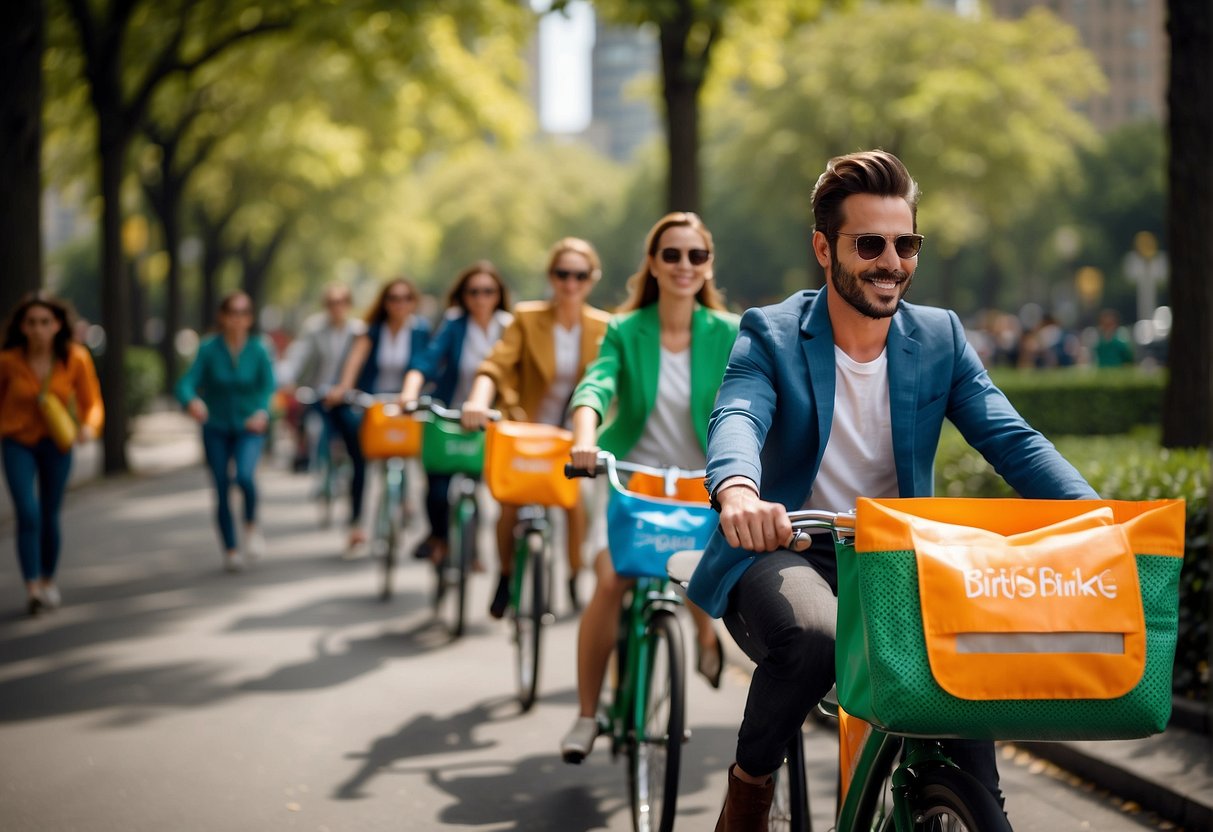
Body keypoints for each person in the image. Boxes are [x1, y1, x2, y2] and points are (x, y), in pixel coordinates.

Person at [687, 150, 1098, 831]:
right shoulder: (773, 332)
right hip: (788, 544)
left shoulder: (938, 337)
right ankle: (750, 786)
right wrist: (736, 492)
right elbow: (737, 415)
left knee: (965, 702)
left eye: (906, 243)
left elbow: (1010, 440)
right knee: (814, 637)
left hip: (901, 559)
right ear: (824, 248)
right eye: (868, 244)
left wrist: (1096, 518)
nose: (891, 261)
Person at [561, 212, 740, 762]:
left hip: (699, 482)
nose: (684, 265)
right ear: (653, 265)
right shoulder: (624, 329)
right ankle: (588, 716)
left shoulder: (730, 332)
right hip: (630, 478)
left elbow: (752, 405)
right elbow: (596, 384)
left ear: (707, 264)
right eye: (672, 255)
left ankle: (706, 635)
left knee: (701, 579)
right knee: (611, 580)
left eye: (696, 255)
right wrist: (585, 436)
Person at [461, 238, 611, 619]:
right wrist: (479, 401)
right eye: (563, 274)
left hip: (573, 436)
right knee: (509, 504)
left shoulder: (604, 327)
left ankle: (574, 575)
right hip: (524, 429)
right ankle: (505, 575)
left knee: (576, 506)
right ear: (551, 276)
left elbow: (611, 384)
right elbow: (495, 366)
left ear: (592, 279)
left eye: (580, 275)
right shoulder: (527, 318)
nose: (571, 284)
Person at [398, 260, 514, 564]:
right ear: (462, 295)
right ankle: (439, 537)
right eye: (473, 291)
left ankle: (472, 543)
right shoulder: (454, 324)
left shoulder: (509, 327)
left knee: (483, 489)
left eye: (488, 291)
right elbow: (426, 361)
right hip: (448, 413)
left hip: (491, 419)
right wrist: (410, 392)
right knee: (437, 489)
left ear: (498, 294)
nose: (480, 298)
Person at [0, 294, 104, 615]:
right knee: (27, 513)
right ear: (22, 326)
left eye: (45, 322)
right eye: (31, 323)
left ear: (58, 325)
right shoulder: (8, 361)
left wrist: (89, 427)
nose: (38, 329)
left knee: (49, 514)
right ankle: (31, 585)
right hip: (17, 442)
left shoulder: (75, 358)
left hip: (57, 444)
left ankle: (48, 579)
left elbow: (93, 403)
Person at [326, 277, 431, 554]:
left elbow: (426, 363)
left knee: (417, 455)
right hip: (374, 402)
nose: (399, 305)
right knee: (363, 462)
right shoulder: (372, 330)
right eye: (393, 299)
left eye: (406, 298)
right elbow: (355, 361)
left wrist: (418, 393)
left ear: (413, 301)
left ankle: (410, 503)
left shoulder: (420, 330)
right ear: (384, 303)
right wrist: (344, 388)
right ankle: (358, 523)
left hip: (408, 401)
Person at [177, 291, 276, 573]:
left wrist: (262, 411)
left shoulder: (259, 349)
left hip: (249, 426)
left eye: (244, 313)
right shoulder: (209, 348)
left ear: (250, 318)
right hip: (216, 426)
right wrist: (192, 401)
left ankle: (251, 524)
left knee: (244, 476)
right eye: (232, 312)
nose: (238, 319)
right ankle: (231, 549)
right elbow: (186, 383)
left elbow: (268, 387)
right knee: (221, 486)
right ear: (223, 317)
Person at [277, 283, 366, 491]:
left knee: (354, 436)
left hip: (347, 396)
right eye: (333, 303)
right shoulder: (314, 329)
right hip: (318, 392)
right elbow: (297, 356)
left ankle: (347, 473)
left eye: (342, 302)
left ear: (349, 304)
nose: (338, 307)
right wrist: (287, 379)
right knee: (316, 428)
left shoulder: (358, 331)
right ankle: (319, 467)